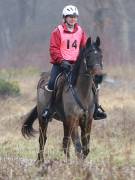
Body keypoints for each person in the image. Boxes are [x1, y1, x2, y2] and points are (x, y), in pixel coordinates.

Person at [42, 5, 107, 121]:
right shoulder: (57, 31)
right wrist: (61, 61)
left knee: (94, 83)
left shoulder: (80, 31)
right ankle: (49, 109)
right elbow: (53, 49)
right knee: (52, 82)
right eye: (70, 17)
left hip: (77, 65)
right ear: (65, 18)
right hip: (61, 64)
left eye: (75, 17)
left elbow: (85, 47)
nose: (73, 19)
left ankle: (96, 108)